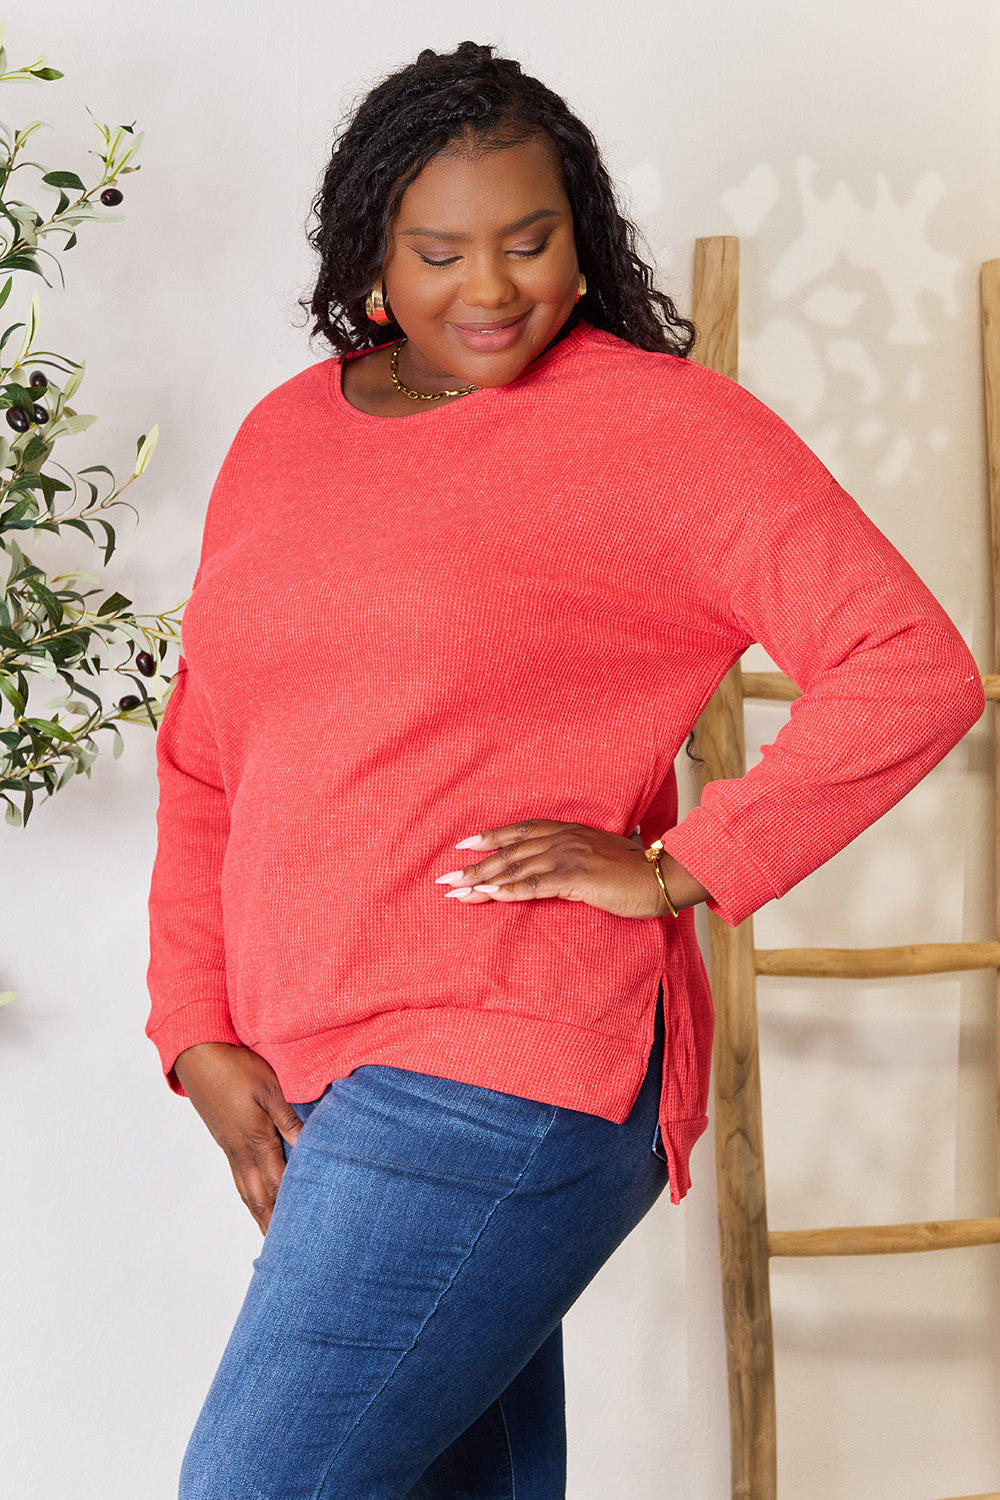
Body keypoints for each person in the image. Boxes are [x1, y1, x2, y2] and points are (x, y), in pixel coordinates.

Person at [145, 40, 984, 1500]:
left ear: (581, 241)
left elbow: (911, 665)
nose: (492, 287)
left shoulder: (664, 430)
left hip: (510, 1060)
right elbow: (207, 758)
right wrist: (197, 1034)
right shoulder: (287, 437)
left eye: (532, 241)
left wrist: (681, 866)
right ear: (369, 261)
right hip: (322, 1072)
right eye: (442, 251)